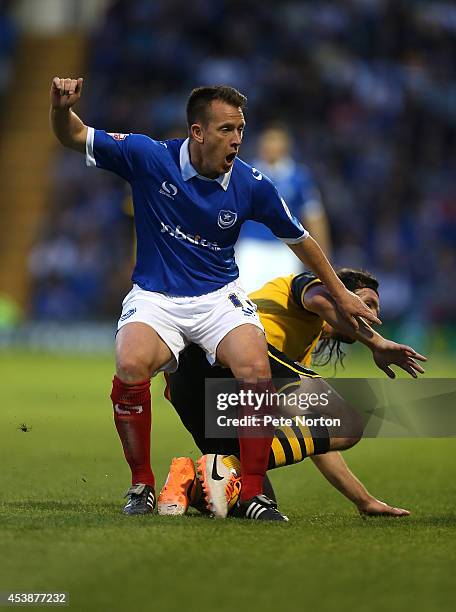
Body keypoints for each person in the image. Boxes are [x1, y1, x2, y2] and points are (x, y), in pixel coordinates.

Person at [50, 78, 380, 521]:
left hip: (218, 297)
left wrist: (341, 294)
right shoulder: (149, 156)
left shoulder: (252, 183)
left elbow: (302, 241)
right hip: (156, 296)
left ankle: (254, 494)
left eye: (241, 128)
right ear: (198, 132)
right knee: (129, 365)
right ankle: (141, 485)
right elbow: (73, 135)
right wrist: (60, 108)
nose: (238, 139)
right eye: (227, 129)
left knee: (254, 367)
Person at [158, 269, 425, 519]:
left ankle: (189, 481)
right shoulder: (307, 287)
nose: (373, 314)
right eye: (367, 302)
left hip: (187, 382)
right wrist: (375, 342)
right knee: (347, 421)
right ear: (341, 293)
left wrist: (363, 500)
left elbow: (313, 439)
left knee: (246, 499)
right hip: (227, 353)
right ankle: (230, 467)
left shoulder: (300, 345)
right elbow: (318, 299)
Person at [236, 125, 331, 292]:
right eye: (268, 140)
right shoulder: (244, 171)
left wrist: (324, 260)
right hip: (251, 247)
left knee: (283, 302)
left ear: (286, 145)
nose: (271, 145)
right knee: (246, 299)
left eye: (276, 140)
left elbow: (314, 217)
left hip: (286, 249)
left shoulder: (299, 177)